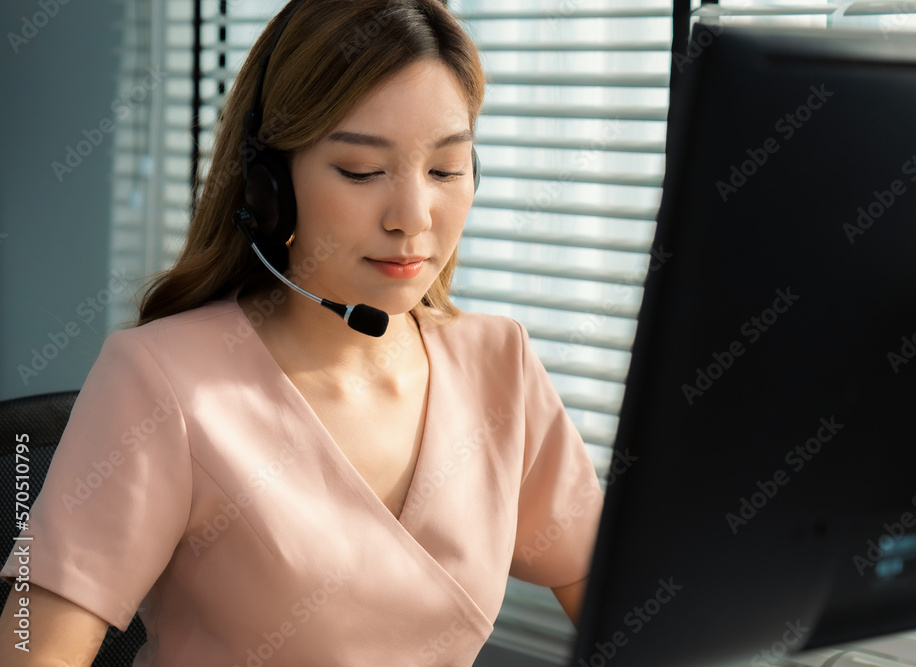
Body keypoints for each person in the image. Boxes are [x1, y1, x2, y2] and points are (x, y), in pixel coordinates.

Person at [0, 0, 604, 665]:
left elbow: (631, 610)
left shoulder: (500, 365)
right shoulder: (161, 378)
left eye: (445, 170)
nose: (412, 216)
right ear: (270, 186)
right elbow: (33, 648)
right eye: (362, 171)